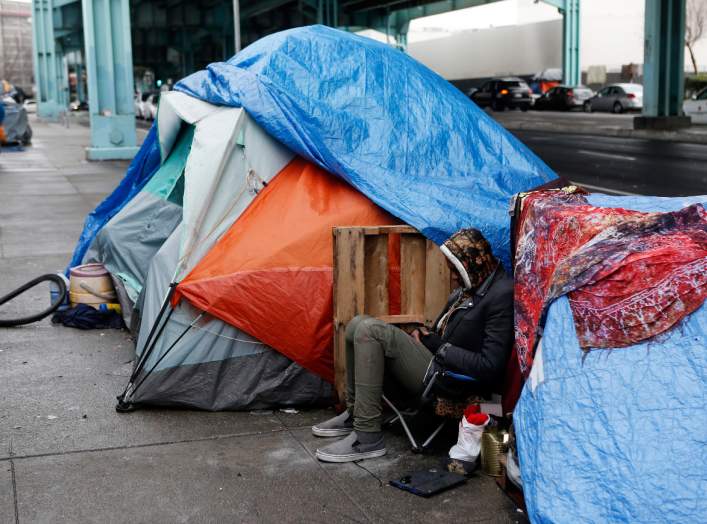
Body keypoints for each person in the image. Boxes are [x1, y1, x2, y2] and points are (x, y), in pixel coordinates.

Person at [312, 228, 514, 463]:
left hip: (449, 379)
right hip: (436, 360)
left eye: (455, 269)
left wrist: (439, 346)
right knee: (357, 324)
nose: (453, 276)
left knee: (370, 331)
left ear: (470, 264)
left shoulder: (501, 294)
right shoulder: (473, 286)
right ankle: (355, 413)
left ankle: (367, 438)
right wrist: (425, 335)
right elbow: (446, 330)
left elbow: (491, 365)